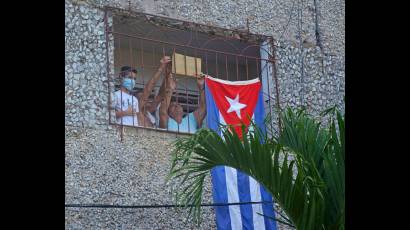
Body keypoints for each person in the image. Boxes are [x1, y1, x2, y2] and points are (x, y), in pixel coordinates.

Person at [136, 56, 171, 128]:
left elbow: (160, 96)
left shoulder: (148, 112)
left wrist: (167, 76)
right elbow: (148, 89)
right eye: (141, 97)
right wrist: (160, 68)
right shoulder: (137, 112)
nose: (146, 99)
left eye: (146, 97)